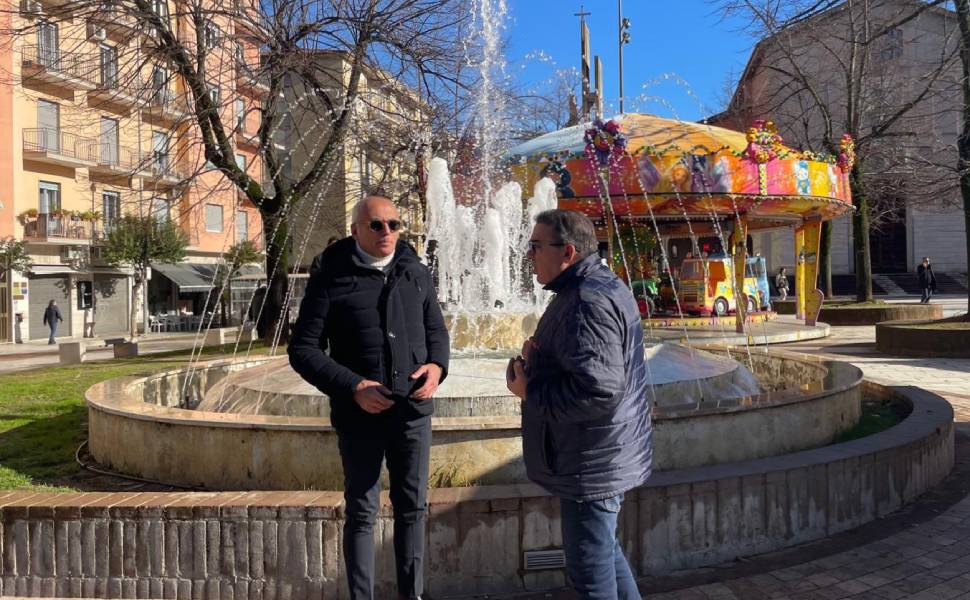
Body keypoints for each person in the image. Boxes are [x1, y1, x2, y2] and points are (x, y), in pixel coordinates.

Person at [288, 192, 449, 600]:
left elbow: (436, 332)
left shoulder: (416, 271)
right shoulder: (331, 277)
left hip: (413, 411)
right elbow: (303, 349)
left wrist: (437, 367)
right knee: (362, 510)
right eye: (377, 225)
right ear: (356, 229)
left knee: (413, 508)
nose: (387, 232)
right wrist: (353, 387)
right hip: (360, 415)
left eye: (395, 225)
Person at [506, 209, 651, 600]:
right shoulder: (594, 287)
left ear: (567, 251)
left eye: (536, 246)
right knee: (604, 554)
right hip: (602, 454)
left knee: (590, 576)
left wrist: (529, 392)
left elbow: (598, 390)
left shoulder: (586, 300)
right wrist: (539, 362)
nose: (529, 255)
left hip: (591, 463)